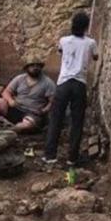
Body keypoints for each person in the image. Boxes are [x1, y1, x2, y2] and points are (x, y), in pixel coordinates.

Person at [42, 12, 99, 167]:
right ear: (86, 26)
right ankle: (72, 158)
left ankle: (50, 155)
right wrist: (88, 44)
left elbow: (61, 52)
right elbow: (95, 57)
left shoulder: (64, 40)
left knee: (56, 119)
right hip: (79, 84)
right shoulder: (91, 42)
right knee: (77, 122)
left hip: (63, 83)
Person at [0, 54, 56, 134]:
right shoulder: (19, 79)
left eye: (38, 65)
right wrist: (10, 100)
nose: (35, 68)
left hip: (32, 113)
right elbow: (6, 92)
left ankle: (7, 131)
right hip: (16, 109)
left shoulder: (47, 82)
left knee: (27, 124)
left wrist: (44, 110)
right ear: (27, 67)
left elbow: (53, 101)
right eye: (32, 65)